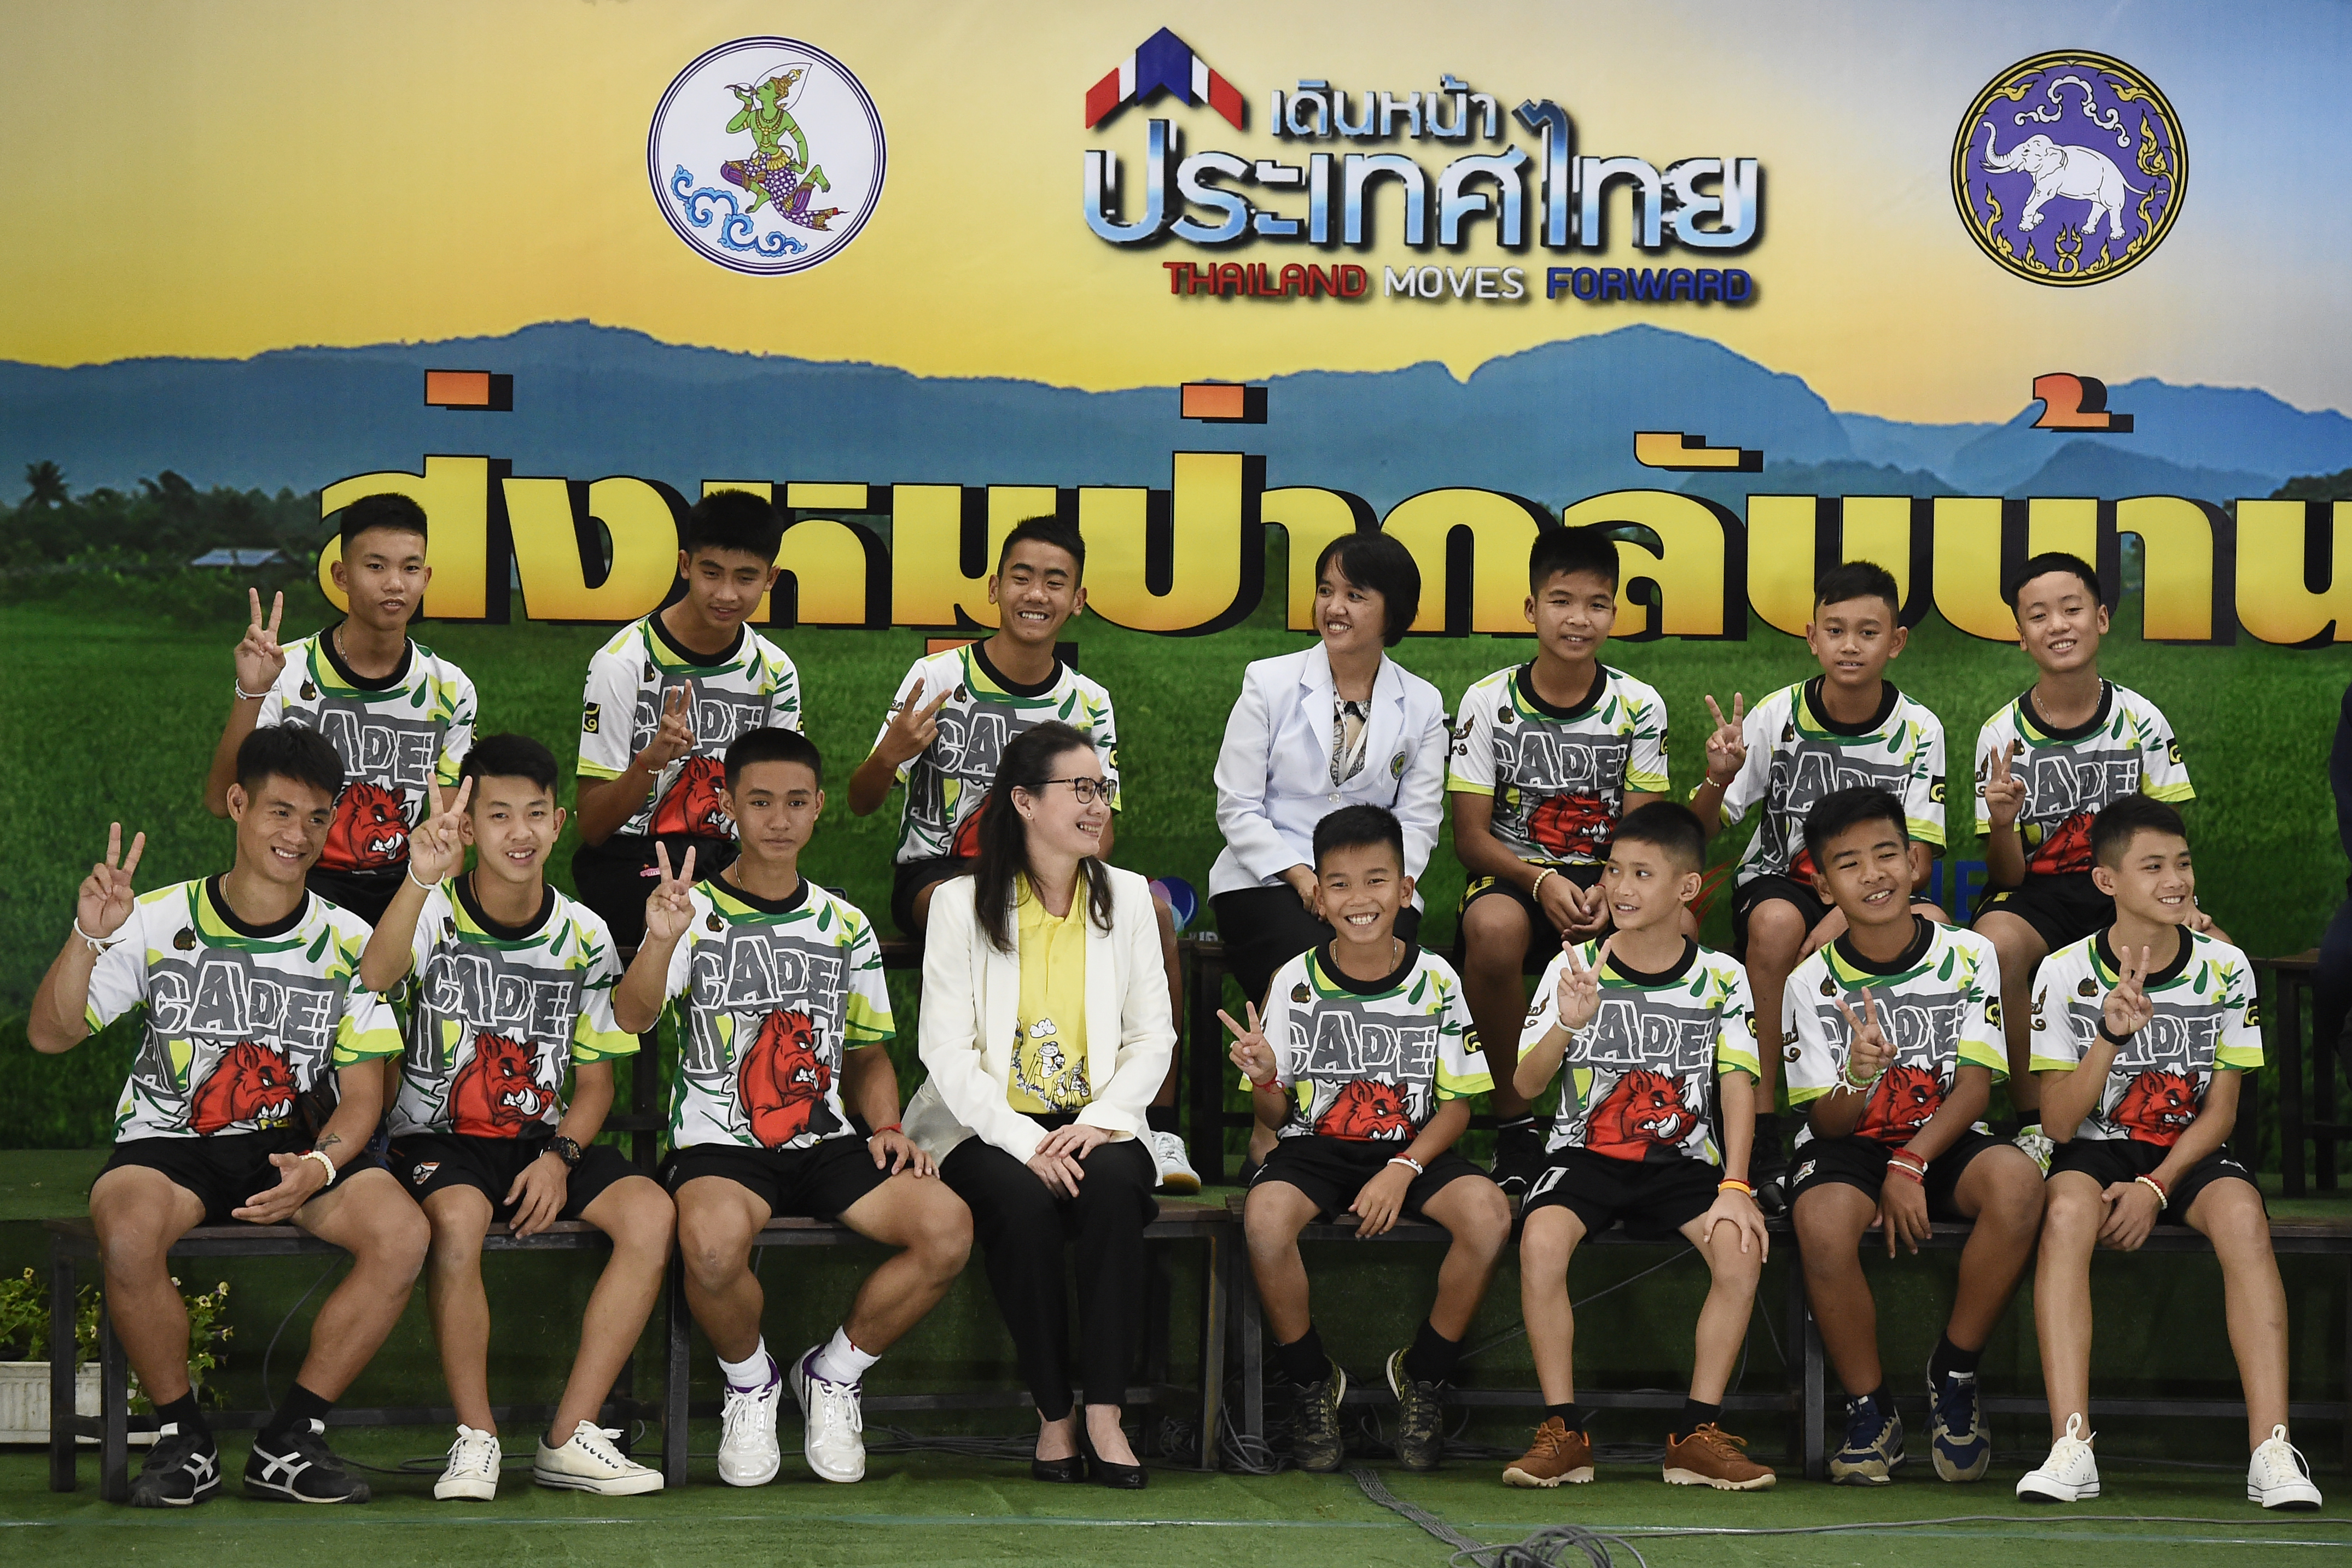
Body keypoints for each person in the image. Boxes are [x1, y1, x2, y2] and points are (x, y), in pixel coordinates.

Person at [28, 725, 428, 1507]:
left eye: (317, 818)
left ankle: (292, 1439)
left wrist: (320, 1164)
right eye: (280, 812)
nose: (298, 835)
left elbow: (362, 1094)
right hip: (171, 1144)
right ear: (238, 804)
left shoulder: (353, 940)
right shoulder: (154, 916)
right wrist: (86, 936)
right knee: (129, 1226)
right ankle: (184, 1437)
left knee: (403, 1231)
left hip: (293, 1151)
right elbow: (51, 1033)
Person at [614, 727, 972, 1488]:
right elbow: (632, 1017)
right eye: (761, 801)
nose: (779, 817)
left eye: (797, 801)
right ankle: (751, 1381)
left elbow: (871, 1050)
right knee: (710, 1248)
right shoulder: (689, 910)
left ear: (817, 812)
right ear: (727, 806)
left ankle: (833, 1372)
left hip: (824, 1137)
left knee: (946, 1226)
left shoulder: (846, 925)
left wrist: (884, 1126)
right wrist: (657, 940)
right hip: (722, 1143)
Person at [363, 734, 674, 1499]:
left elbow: (597, 1079)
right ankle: (477, 1435)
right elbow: (374, 975)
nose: (520, 831)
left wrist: (562, 1154)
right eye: (498, 814)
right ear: (468, 827)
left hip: (538, 1137)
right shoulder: (432, 913)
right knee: (460, 1220)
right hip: (438, 1136)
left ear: (560, 820)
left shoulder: (584, 933)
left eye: (535, 812)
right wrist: (414, 877)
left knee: (651, 1212)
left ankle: (570, 1434)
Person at [847, 517, 1195, 1192]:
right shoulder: (937, 675)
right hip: (944, 871)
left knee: (1151, 913)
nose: (1036, 593)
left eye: (1055, 581)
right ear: (994, 588)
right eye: (1022, 576)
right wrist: (892, 751)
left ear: (1079, 599)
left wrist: (1073, 846)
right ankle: (976, 1110)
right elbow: (863, 798)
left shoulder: (1087, 699)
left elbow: (1101, 831)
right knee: (975, 911)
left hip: (1054, 870)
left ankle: (1156, 1125)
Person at [2017, 794, 2321, 1510]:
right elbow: (2058, 1120)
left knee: (2245, 1216)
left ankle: (2271, 1447)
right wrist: (2110, 1035)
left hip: (2183, 1152)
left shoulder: (2227, 966)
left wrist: (2156, 1186)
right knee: (2063, 1212)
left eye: (2182, 862)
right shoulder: (2062, 972)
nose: (2175, 879)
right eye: (2152, 865)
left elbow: (2221, 1112)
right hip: (2095, 1150)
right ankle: (2071, 1443)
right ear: (2108, 882)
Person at [902, 721, 1174, 1489]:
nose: (1096, 804)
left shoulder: (1127, 895)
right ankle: (1054, 1413)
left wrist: (1103, 1121)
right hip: (987, 1122)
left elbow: (1155, 1035)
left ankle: (1105, 1414)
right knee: (1020, 1204)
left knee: (1117, 1186)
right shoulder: (960, 904)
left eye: (1100, 788)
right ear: (1023, 800)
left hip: (1097, 1116)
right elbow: (947, 1052)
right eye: (1079, 788)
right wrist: (1028, 1143)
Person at [1225, 805, 1509, 1474]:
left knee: (1489, 1212)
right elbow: (1273, 1118)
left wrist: (1404, 1166)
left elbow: (1460, 1107)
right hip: (1317, 1145)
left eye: (1377, 880)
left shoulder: (1437, 977)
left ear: (1406, 889)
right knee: (1265, 1220)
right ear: (1317, 897)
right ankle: (1311, 1380)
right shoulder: (1293, 980)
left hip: (1415, 1144)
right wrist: (1266, 1075)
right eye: (1342, 884)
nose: (1361, 899)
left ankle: (1424, 1375)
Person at [1506, 802, 1773, 1491]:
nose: (1620, 887)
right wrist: (1567, 1023)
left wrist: (1736, 1185)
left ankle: (1694, 1434)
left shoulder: (1722, 974)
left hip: (1683, 1163)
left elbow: (1739, 1082)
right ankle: (1563, 1431)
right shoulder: (1572, 966)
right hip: (1583, 1156)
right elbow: (1527, 1083)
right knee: (1540, 1241)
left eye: (1642, 873)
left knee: (1741, 1249)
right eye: (1614, 869)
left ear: (1686, 889)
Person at [1781, 787, 2042, 1486]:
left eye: (1887, 854)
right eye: (1850, 863)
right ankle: (1871, 1409)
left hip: (1941, 1134)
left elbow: (1977, 1088)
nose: (1873, 874)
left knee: (2019, 1184)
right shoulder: (1809, 980)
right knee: (1821, 1221)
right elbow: (1824, 1119)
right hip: (1852, 1141)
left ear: (1916, 861)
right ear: (1822, 882)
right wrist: (1860, 1078)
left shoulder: (1968, 955)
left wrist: (1911, 1161)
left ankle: (1954, 1370)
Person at [1694, 559, 1948, 1205]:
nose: (1850, 645)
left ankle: (1904, 1118)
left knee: (1938, 926)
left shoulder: (1920, 729)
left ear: (1895, 641)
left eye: (1868, 631)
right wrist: (1719, 777)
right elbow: (1701, 828)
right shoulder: (1778, 714)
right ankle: (1765, 1120)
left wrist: (1850, 912)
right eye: (1835, 630)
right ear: (1812, 638)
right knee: (1778, 923)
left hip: (1879, 892)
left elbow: (1916, 859)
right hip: (1782, 882)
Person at [1212, 532, 1448, 1165]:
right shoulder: (1268, 681)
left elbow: (1419, 821)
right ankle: (1277, 1119)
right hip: (1265, 875)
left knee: (1383, 946)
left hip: (1373, 880)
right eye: (1325, 591)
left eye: (1353, 594)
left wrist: (1370, 887)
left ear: (1392, 612)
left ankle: (1375, 1122)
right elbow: (1236, 805)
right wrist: (1302, 877)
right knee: (1300, 950)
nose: (1333, 607)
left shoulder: (1422, 702)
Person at [1449, 526, 1669, 1197]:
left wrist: (1613, 884)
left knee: (1673, 931)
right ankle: (1514, 1122)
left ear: (1614, 613)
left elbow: (1643, 830)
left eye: (1597, 603)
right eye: (1561, 600)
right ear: (1531, 610)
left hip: (1609, 877)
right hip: (1512, 872)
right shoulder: (1488, 700)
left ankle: (1634, 1122)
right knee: (1492, 930)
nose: (1579, 618)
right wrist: (1539, 878)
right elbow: (1469, 836)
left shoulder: (1639, 704)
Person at [1972, 553, 2197, 1171]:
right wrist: (2000, 821)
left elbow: (2164, 840)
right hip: (2039, 892)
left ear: (2100, 618)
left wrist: (2184, 904)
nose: (2058, 625)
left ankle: (2183, 1127)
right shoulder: (2001, 734)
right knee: (1994, 944)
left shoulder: (2141, 720)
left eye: (2071, 609)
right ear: (2021, 636)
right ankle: (2031, 1124)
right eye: (2038, 615)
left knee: (2211, 943)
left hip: (2127, 887)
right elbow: (2007, 875)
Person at [203, 492, 478, 924]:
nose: (394, 583)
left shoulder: (451, 688)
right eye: (376, 566)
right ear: (341, 575)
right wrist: (251, 692)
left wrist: (433, 925)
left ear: (426, 578)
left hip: (402, 887)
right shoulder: (286, 670)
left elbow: (447, 830)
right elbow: (223, 801)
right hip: (296, 879)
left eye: (409, 568)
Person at [573, 488, 801, 953]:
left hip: (731, 858)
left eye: (746, 577)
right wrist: (649, 763)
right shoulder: (623, 663)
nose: (726, 594)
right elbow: (594, 827)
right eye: (711, 572)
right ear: (684, 565)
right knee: (687, 925)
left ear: (771, 578)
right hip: (634, 859)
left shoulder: (775, 672)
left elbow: (782, 809)